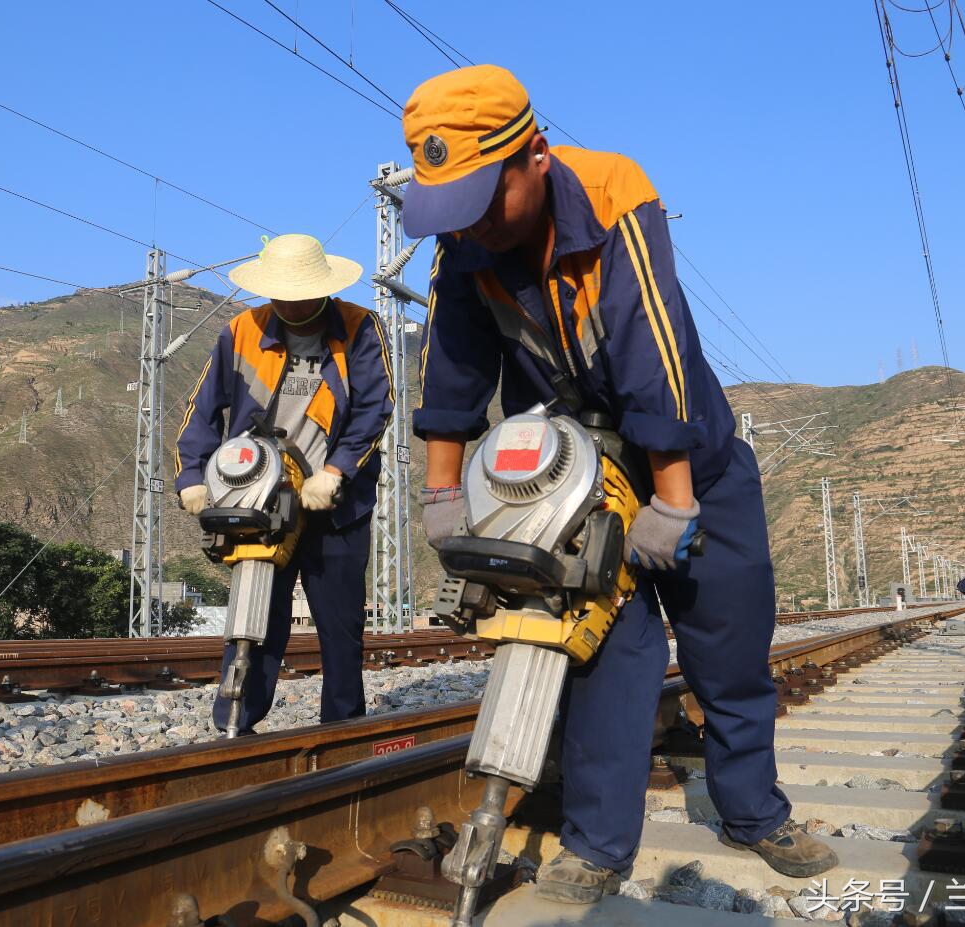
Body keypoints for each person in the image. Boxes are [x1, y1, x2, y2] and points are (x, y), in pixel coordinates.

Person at [400, 64, 838, 904]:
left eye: (487, 200)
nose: (475, 226)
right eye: (456, 209)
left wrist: (673, 499)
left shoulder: (612, 193)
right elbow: (451, 364)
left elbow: (652, 350)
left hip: (693, 462)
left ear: (534, 154)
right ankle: (598, 843)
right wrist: (443, 490)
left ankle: (753, 810)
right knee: (603, 653)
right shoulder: (466, 246)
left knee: (729, 644)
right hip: (581, 479)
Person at [174, 234, 393, 734]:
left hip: (333, 505)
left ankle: (341, 729)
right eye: (280, 291)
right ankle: (236, 720)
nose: (289, 301)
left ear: (323, 288)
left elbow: (375, 409)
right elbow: (202, 409)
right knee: (254, 618)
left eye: (299, 291)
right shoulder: (241, 330)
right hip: (259, 497)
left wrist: (335, 472)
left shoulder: (360, 328)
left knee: (339, 628)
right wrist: (192, 477)